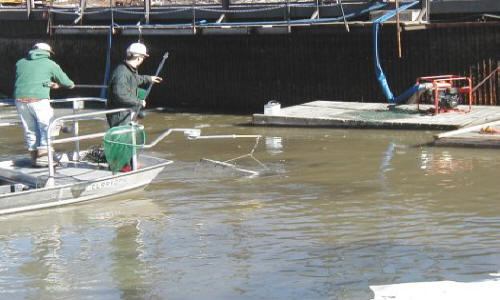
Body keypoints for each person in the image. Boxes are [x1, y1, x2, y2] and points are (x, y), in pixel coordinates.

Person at [13, 42, 75, 167]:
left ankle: (34, 158)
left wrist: (49, 83)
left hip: (20, 100)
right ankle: (44, 158)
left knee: (30, 130)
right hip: (39, 100)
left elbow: (27, 80)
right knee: (47, 127)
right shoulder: (50, 64)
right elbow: (67, 82)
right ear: (47, 52)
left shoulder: (20, 63)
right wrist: (66, 84)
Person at [106, 42, 162, 128]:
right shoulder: (122, 73)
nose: (143, 60)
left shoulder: (128, 69)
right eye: (143, 57)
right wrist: (139, 102)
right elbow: (120, 95)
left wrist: (149, 79)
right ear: (139, 58)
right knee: (122, 139)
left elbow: (134, 79)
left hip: (126, 112)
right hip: (120, 116)